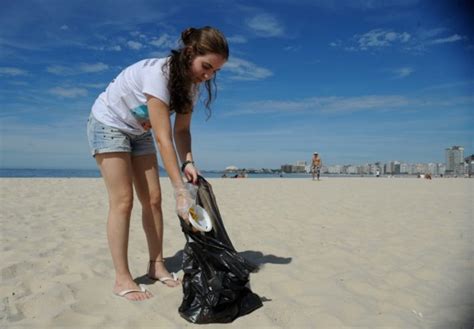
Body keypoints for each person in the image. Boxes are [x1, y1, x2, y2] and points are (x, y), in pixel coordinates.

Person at [86, 26, 229, 301]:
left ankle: (156, 265)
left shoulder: (192, 87)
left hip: (138, 131)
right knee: (123, 200)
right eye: (206, 66)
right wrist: (181, 192)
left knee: (152, 198)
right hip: (108, 124)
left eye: (215, 71)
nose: (208, 75)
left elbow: (182, 132)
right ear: (190, 53)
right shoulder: (159, 76)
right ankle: (122, 278)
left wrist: (188, 162)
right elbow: (164, 139)